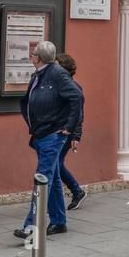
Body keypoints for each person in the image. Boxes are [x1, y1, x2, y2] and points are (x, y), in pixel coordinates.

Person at [14, 41, 82, 241]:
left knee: (42, 179)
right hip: (42, 133)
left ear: (38, 58)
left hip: (53, 135)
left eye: (32, 53)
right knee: (50, 178)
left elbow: (76, 97)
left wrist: (69, 128)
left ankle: (31, 226)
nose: (30, 56)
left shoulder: (57, 73)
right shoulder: (41, 73)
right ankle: (59, 221)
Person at [54, 53, 87, 211]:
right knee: (55, 164)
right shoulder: (58, 86)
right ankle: (76, 191)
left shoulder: (74, 88)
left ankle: (75, 191)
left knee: (55, 164)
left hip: (67, 132)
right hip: (57, 130)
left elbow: (79, 115)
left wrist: (76, 136)